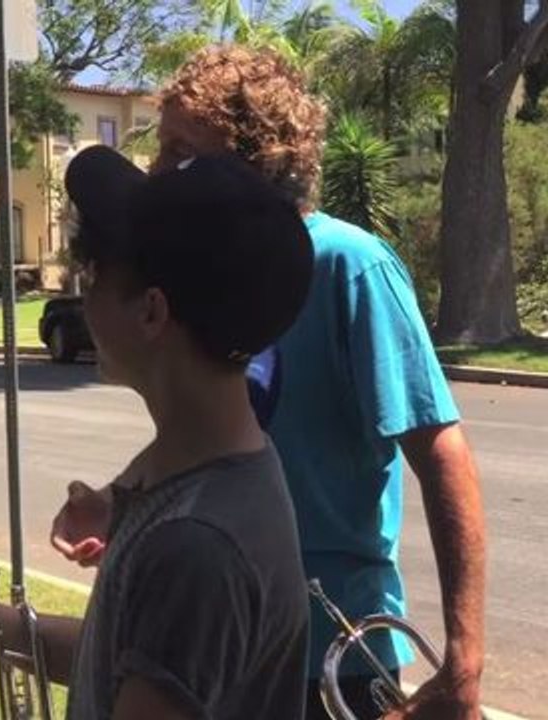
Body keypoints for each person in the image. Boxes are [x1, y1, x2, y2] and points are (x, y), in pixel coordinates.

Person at [51, 46, 487, 720]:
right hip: (222, 630)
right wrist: (121, 507)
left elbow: (441, 453)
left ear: (256, 162)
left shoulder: (350, 266)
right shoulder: (197, 271)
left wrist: (465, 655)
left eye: (181, 151)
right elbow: (213, 429)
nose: (158, 172)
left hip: (332, 649)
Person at [0, 148, 316, 719]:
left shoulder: (196, 546)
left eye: (95, 273)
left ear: (152, 313)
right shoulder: (215, 472)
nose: (85, 294)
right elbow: (122, 661)